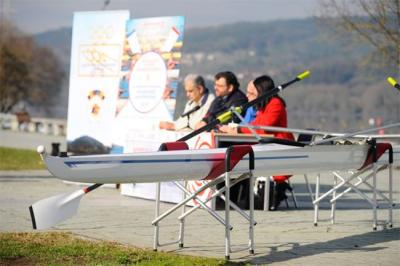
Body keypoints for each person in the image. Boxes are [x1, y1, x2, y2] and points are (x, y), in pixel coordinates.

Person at [219, 75, 295, 210]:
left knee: (241, 159)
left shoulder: (275, 103)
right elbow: (256, 124)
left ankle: (241, 198)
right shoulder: (264, 105)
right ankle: (231, 197)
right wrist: (237, 129)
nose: (248, 96)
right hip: (267, 145)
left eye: (252, 93)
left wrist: (239, 130)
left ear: (261, 92)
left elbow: (264, 127)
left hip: (278, 148)